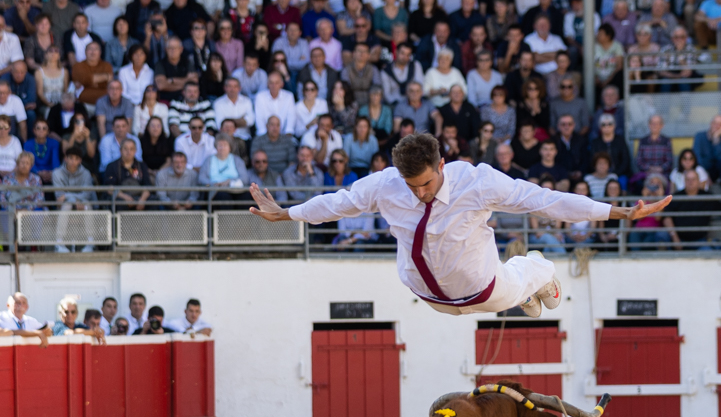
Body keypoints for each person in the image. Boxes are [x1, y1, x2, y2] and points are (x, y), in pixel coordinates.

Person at [251, 132, 670, 317]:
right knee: (356, 203)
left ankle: (540, 275)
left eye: (428, 183)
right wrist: (284, 214)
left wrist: (616, 212)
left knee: (524, 269)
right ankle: (527, 289)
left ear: (442, 165)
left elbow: (544, 200)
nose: (420, 194)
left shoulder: (477, 181)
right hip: (427, 296)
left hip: (484, 290)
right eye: (412, 186)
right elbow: (337, 203)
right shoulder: (386, 184)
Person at [692, 114, 721, 193]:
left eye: (720, 124)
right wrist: (706, 175)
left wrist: (716, 140)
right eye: (715, 123)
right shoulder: (700, 136)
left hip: (713, 171)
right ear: (711, 124)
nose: (717, 126)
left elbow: (720, 158)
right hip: (700, 170)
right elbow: (696, 157)